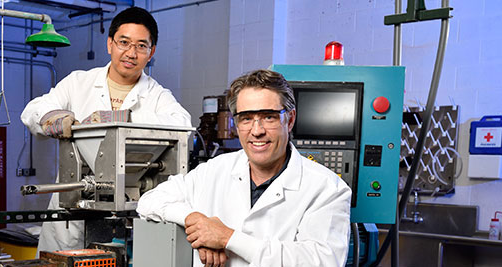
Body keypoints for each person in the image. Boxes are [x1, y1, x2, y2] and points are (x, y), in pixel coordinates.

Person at [137, 69, 351, 267]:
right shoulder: (213, 170)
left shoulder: (327, 189)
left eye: (269, 117)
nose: (256, 131)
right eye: (246, 118)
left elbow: (322, 262)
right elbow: (149, 202)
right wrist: (196, 221)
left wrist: (228, 238)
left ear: (290, 119)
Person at [20, 7, 192, 253]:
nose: (131, 53)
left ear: (151, 52)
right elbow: (32, 111)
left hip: (127, 207)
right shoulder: (79, 82)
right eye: (124, 42)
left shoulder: (156, 94)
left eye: (141, 46)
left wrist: (121, 118)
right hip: (72, 207)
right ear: (109, 43)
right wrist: (54, 118)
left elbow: (182, 123)